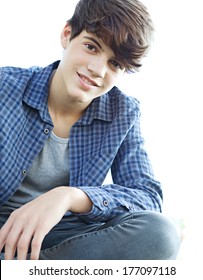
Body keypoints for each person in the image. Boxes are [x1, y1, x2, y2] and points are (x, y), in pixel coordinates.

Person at [0, 0, 180, 260]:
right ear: (66, 35)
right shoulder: (6, 87)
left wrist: (69, 196)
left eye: (115, 64)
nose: (97, 70)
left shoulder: (123, 113)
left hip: (64, 236)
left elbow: (147, 196)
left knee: (161, 234)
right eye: (91, 46)